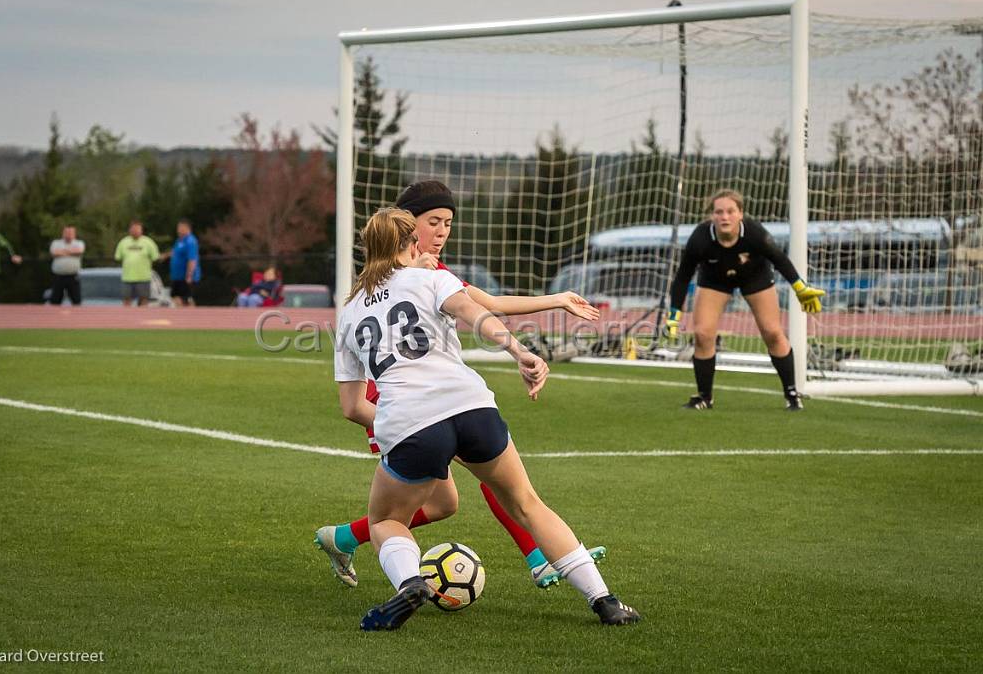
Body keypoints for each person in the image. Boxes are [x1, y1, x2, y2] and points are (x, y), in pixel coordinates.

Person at [335, 207, 640, 630]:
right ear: (411, 243)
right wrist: (520, 351)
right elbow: (475, 312)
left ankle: (410, 584)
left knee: (387, 520)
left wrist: (397, 425)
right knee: (528, 504)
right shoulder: (430, 276)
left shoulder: (348, 312)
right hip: (471, 407)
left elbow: (351, 407)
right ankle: (604, 600)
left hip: (411, 424)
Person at [665, 189, 826, 411]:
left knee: (772, 332)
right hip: (715, 279)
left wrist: (800, 287)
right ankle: (704, 397)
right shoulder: (700, 238)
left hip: (755, 277)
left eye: (731, 211)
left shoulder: (754, 233)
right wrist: (673, 317)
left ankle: (791, 394)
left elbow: (779, 259)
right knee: (702, 333)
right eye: (719, 212)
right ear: (712, 216)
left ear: (741, 214)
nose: (725, 217)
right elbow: (682, 277)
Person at [114, 220, 160, 307]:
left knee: (144, 300)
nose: (135, 231)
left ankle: (142, 318)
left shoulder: (148, 242)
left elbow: (155, 257)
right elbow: (118, 257)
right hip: (127, 278)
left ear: (141, 230)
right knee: (126, 300)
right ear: (129, 230)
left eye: (137, 229)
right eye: (133, 229)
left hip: (143, 278)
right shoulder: (123, 242)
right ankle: (127, 319)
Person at [166, 220, 201, 307]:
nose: (178, 230)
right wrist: (164, 256)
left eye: (180, 227)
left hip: (185, 277)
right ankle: (181, 317)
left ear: (187, 228)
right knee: (176, 297)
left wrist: (189, 275)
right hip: (177, 276)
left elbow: (192, 259)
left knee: (187, 299)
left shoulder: (190, 241)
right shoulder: (179, 240)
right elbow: (175, 252)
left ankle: (193, 318)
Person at [48, 225, 85, 305]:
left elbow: (79, 251)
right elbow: (54, 252)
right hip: (58, 276)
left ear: (74, 234)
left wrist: (62, 252)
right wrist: (70, 252)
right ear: (63, 233)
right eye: (67, 232)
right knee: (55, 300)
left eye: (70, 232)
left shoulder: (79, 243)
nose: (68, 234)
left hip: (73, 276)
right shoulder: (56, 243)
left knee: (76, 301)